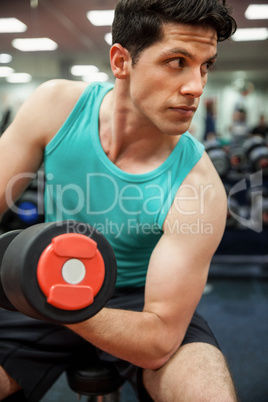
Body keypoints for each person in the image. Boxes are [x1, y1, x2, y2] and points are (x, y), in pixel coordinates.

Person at [0, 0, 238, 400]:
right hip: (49, 275)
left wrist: (51, 296)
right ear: (121, 61)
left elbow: (160, 338)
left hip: (143, 301)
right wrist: (43, 288)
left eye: (205, 65)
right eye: (177, 61)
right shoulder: (56, 106)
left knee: (207, 391)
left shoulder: (199, 187)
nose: (196, 86)